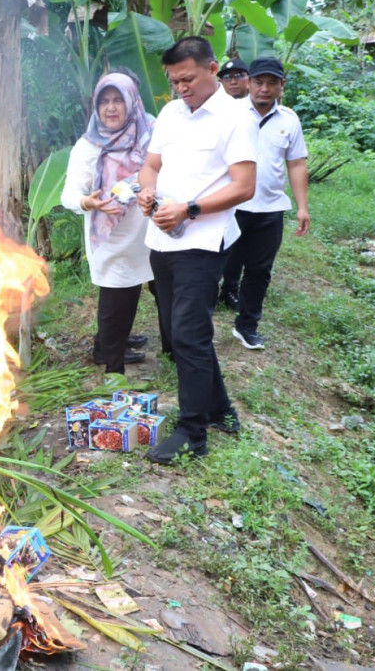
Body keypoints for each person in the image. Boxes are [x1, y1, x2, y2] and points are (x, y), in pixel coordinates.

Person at [136, 37, 257, 464]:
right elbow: (151, 163)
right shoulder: (170, 113)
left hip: (203, 243)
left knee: (188, 334)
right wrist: (147, 190)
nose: (181, 88)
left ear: (212, 69)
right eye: (174, 81)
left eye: (187, 79)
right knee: (181, 332)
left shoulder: (235, 118)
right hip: (161, 238)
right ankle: (221, 409)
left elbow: (244, 186)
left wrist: (189, 208)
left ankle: (193, 432)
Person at [60, 71, 157, 375]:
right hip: (111, 237)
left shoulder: (152, 135)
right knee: (118, 298)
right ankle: (112, 367)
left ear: (132, 102)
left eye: (118, 100)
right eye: (104, 101)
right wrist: (87, 202)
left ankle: (168, 352)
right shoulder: (88, 146)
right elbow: (69, 194)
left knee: (160, 291)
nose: (111, 108)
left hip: (152, 230)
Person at [219, 56, 310, 350]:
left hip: (270, 209)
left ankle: (247, 326)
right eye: (259, 82)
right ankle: (199, 323)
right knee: (215, 264)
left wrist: (302, 207)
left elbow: (296, 164)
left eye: (272, 83)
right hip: (231, 206)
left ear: (282, 86)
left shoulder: (289, 119)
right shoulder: (229, 114)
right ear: (249, 83)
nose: (264, 89)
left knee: (259, 271)